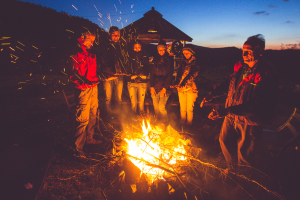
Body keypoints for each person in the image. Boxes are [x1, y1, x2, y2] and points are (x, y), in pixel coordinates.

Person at [201, 34, 279, 169]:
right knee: (224, 141)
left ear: (260, 51)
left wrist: (226, 110)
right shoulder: (240, 67)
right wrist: (212, 95)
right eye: (243, 50)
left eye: (249, 51)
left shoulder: (266, 72)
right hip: (231, 114)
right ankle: (231, 171)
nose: (244, 54)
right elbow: (229, 83)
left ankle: (244, 182)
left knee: (245, 153)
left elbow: (257, 104)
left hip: (250, 119)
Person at [68, 31, 102, 158]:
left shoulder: (91, 53)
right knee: (82, 118)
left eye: (93, 40)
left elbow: (94, 70)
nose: (92, 43)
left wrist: (99, 77)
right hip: (83, 89)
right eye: (90, 40)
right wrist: (83, 82)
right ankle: (78, 149)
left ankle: (89, 138)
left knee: (93, 113)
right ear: (83, 39)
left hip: (94, 87)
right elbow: (72, 74)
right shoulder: (75, 53)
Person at [101, 26, 129, 114]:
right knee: (108, 98)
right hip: (108, 76)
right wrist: (112, 70)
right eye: (114, 35)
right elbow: (103, 60)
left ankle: (118, 115)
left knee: (118, 98)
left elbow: (125, 60)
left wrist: (124, 69)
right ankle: (108, 116)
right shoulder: (105, 45)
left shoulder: (122, 46)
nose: (116, 37)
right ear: (110, 35)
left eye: (117, 35)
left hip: (119, 76)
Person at [173, 45, 199, 127]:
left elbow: (193, 75)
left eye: (187, 53)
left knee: (189, 109)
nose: (186, 55)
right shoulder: (181, 62)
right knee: (182, 108)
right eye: (184, 53)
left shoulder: (195, 63)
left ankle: (189, 125)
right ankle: (182, 125)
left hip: (191, 89)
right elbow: (178, 74)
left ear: (191, 53)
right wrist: (176, 82)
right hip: (181, 89)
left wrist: (184, 82)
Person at [149, 41, 174, 121]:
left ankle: (165, 121)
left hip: (164, 87)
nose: (161, 51)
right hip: (155, 86)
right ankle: (157, 122)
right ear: (157, 50)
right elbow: (152, 74)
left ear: (165, 50)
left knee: (161, 107)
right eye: (160, 50)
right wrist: (152, 87)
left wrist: (165, 88)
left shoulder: (169, 60)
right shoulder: (154, 60)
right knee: (156, 106)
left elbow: (169, 75)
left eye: (163, 49)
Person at [127, 40, 150, 116]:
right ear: (133, 48)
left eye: (138, 47)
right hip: (132, 82)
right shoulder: (129, 56)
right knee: (133, 103)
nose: (137, 49)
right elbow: (127, 67)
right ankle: (133, 120)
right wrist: (130, 75)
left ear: (141, 47)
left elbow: (148, 68)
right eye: (135, 47)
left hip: (142, 83)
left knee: (141, 103)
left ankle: (142, 120)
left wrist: (144, 75)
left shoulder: (145, 56)